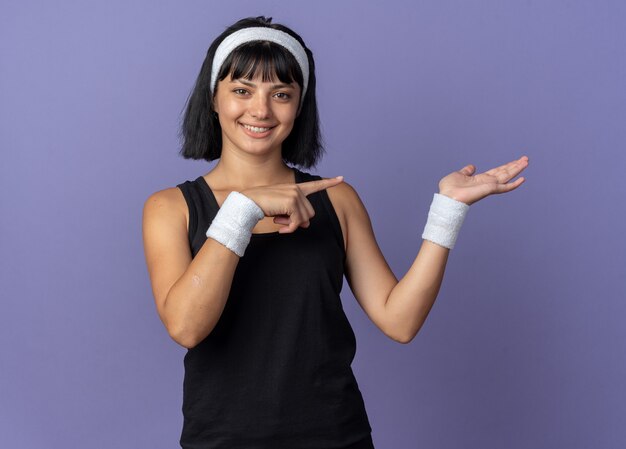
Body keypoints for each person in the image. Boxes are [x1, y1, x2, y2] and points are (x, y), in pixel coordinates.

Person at [142, 15, 529, 449]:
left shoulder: (337, 201)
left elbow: (399, 321)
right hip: (221, 440)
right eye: (241, 90)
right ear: (213, 99)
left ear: (299, 105)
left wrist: (448, 211)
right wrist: (242, 211)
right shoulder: (171, 208)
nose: (260, 110)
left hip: (336, 436)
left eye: (281, 94)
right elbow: (187, 327)